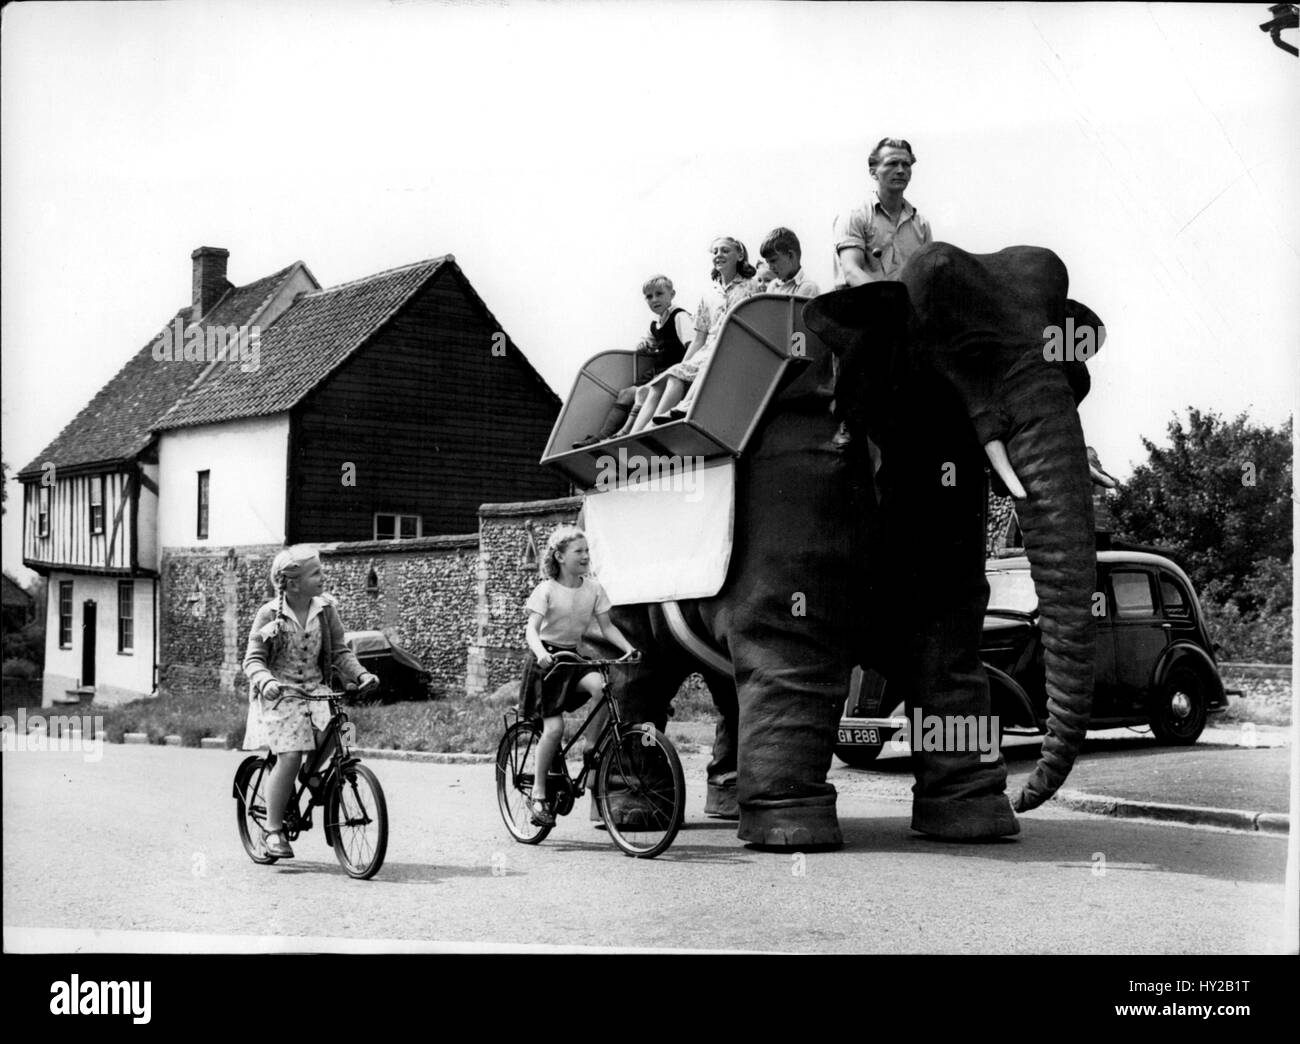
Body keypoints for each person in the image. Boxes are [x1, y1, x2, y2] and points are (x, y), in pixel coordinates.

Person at [242, 546, 379, 859]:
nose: (322, 577)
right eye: (315, 573)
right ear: (292, 583)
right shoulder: (269, 614)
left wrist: (361, 675)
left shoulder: (325, 609)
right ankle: (274, 830)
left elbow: (341, 652)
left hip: (316, 690)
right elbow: (252, 660)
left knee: (343, 728)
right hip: (281, 695)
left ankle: (311, 773)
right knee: (289, 756)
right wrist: (266, 682)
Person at [523, 525, 638, 826]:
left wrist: (628, 648)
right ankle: (538, 795)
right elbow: (531, 631)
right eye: (579, 552)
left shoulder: (593, 588)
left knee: (603, 686)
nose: (586, 556)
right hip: (547, 662)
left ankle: (590, 746)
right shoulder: (546, 590)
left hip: (572, 658)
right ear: (560, 556)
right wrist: (540, 654)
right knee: (554, 729)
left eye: (588, 551)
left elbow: (607, 626)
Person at [631, 236, 760, 431]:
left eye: (725, 250)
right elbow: (699, 339)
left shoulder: (752, 286)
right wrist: (683, 365)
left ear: (739, 255)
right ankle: (641, 431)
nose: (719, 255)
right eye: (715, 252)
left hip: (735, 348)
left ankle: (684, 408)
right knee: (671, 376)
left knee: (709, 363)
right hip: (708, 349)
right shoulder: (709, 295)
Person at [572, 276, 695, 446]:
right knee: (626, 393)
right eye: (649, 296)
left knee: (642, 392)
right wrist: (644, 345)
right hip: (657, 369)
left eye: (659, 294)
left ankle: (623, 433)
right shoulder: (656, 324)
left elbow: (693, 344)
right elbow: (648, 342)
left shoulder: (679, 316)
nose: (654, 299)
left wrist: (682, 368)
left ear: (672, 294)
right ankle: (601, 436)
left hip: (673, 369)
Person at [833, 137, 932, 287]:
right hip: (858, 307)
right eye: (892, 163)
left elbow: (927, 277)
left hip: (905, 308)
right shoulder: (855, 216)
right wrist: (886, 302)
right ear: (873, 173)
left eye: (906, 165)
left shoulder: (921, 224)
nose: (900, 170)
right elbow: (851, 272)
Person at [759, 227, 821, 298]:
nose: (770, 267)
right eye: (767, 262)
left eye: (773, 261)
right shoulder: (773, 286)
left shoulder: (808, 287)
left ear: (790, 255)